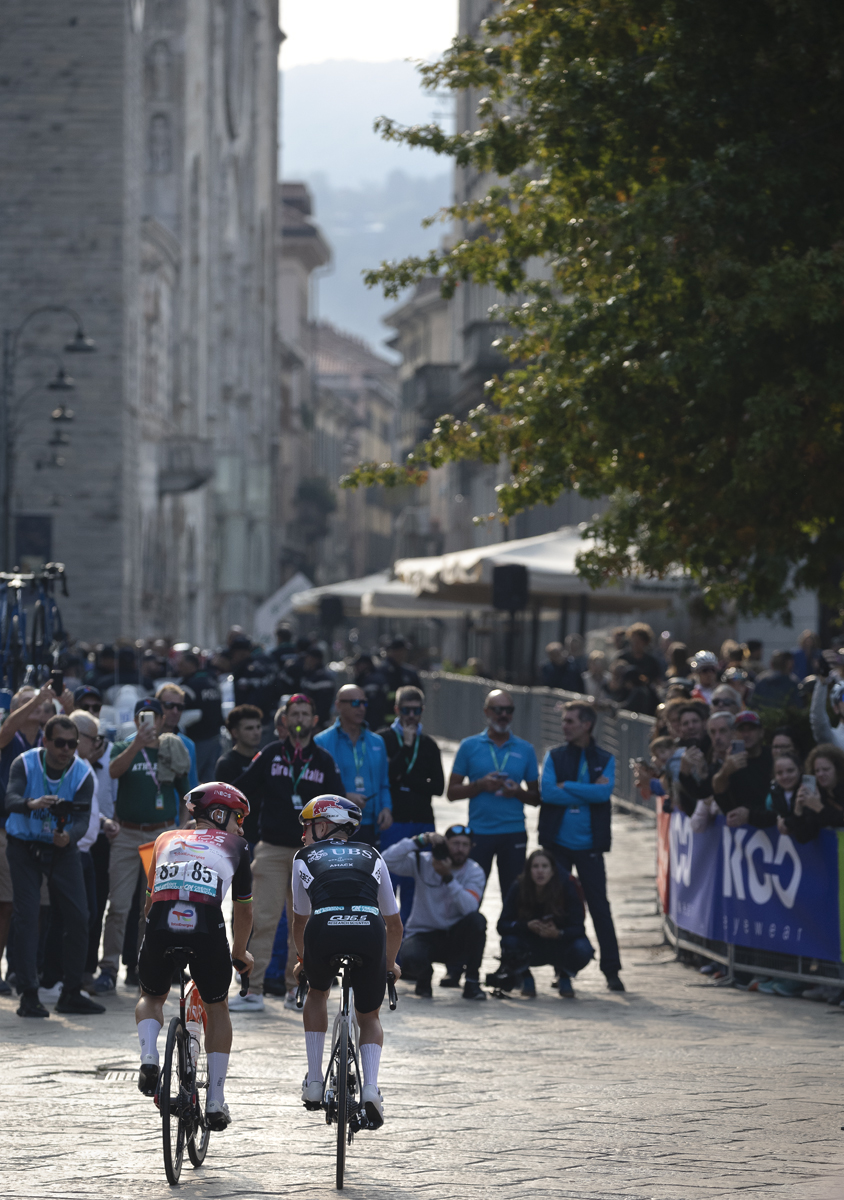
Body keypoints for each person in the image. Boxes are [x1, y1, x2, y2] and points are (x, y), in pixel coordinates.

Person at [135, 782, 254, 1131]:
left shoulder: (162, 840)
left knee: (151, 996)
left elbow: (148, 903)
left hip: (160, 924)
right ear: (218, 815)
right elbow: (244, 911)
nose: (240, 827)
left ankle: (148, 1056)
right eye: (238, 818)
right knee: (218, 1007)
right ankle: (215, 1099)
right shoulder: (238, 847)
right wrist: (239, 951)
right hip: (206, 928)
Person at [292, 796, 403, 1128]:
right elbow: (394, 924)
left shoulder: (304, 856)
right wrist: (389, 965)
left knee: (317, 993)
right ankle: (370, 1088)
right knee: (368, 1016)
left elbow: (300, 921)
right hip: (369, 929)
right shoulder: (373, 854)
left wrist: (303, 962)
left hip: (323, 927)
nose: (303, 835)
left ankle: (314, 1081)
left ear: (324, 826)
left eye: (308, 826)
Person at [230, 694, 344, 1012]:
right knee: (261, 918)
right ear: (284, 719)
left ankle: (299, 989)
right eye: (295, 713)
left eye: (306, 713)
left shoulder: (323, 760)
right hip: (272, 849)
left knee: (305, 922)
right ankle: (252, 990)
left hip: (310, 853)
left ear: (315, 721)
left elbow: (337, 804)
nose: (300, 718)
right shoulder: (270, 754)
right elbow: (242, 790)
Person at [4, 714, 105, 1017]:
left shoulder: (83, 773)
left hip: (61, 849)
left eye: (72, 744)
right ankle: (29, 994)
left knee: (80, 915)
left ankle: (71, 992)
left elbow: (82, 819)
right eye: (59, 743)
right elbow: (9, 798)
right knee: (28, 914)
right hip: (23, 846)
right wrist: (30, 804)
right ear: (45, 741)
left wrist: (69, 836)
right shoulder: (25, 763)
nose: (66, 750)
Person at [93, 698, 189, 994]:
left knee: (153, 907)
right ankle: (108, 968)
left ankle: (144, 966)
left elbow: (186, 792)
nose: (149, 722)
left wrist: (182, 827)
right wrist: (137, 745)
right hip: (127, 834)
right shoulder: (123, 748)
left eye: (154, 717)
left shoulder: (171, 748)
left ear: (162, 721)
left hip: (160, 835)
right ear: (136, 722)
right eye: (143, 718)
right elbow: (112, 771)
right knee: (119, 905)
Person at [538, 701, 624, 992]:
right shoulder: (555, 755)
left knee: (600, 907)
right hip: (558, 845)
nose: (565, 726)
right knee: (558, 907)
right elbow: (548, 793)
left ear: (587, 725)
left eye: (570, 721)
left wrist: (569, 787)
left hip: (590, 845)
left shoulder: (604, 757)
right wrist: (585, 791)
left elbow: (604, 794)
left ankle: (612, 970)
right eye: (564, 721)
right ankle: (562, 971)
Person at [447, 689, 539, 903]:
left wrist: (517, 792)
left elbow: (536, 798)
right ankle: (470, 935)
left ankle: (511, 936)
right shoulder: (469, 746)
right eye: (498, 710)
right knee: (471, 898)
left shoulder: (526, 749)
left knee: (514, 898)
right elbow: (451, 793)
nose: (503, 715)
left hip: (513, 832)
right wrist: (480, 785)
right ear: (486, 712)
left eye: (509, 710)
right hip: (480, 833)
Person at [382, 825, 487, 1000]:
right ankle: (424, 976)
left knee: (478, 921)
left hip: (456, 937)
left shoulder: (475, 871)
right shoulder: (424, 861)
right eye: (455, 844)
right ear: (445, 844)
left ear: (471, 847)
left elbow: (470, 908)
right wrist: (419, 840)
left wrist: (447, 877)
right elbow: (386, 860)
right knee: (410, 956)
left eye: (464, 845)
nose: (459, 849)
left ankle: (472, 982)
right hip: (424, 934)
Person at [377, 686, 445, 923]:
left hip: (422, 822)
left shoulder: (428, 744)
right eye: (406, 710)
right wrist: (405, 746)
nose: (411, 716)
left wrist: (405, 780)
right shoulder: (383, 739)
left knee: (414, 890)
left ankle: (407, 949)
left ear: (422, 711)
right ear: (397, 710)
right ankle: (384, 948)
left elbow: (438, 787)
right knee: (387, 887)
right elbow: (385, 777)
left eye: (416, 711)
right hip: (394, 823)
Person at [490, 849, 594, 999]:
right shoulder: (519, 887)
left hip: (559, 944)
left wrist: (559, 933)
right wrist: (526, 926)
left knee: (583, 949)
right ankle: (525, 976)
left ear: (553, 871)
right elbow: (502, 925)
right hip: (530, 945)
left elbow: (579, 927)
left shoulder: (566, 886)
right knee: (509, 942)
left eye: (545, 866)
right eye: (535, 866)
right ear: (528, 870)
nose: (540, 871)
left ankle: (564, 975)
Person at [315, 684, 392, 843]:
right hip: (335, 826)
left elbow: (384, 783)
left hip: (371, 825)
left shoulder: (377, 742)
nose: (361, 708)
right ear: (338, 706)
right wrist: (344, 797)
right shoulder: (321, 742)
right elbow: (316, 786)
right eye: (355, 703)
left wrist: (386, 808)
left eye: (364, 703)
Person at [712, 709, 775, 825]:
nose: (746, 735)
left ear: (761, 732)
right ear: (735, 734)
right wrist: (726, 770)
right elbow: (717, 789)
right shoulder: (730, 760)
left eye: (751, 729)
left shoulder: (772, 755)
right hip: (743, 830)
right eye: (741, 730)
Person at [778, 744, 844, 842]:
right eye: (817, 771)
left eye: (826, 769)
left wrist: (819, 808)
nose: (820, 774)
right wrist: (798, 810)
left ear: (837, 769)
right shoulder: (817, 794)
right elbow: (804, 837)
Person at [176, 651, 224, 782]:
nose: (178, 668)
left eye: (181, 664)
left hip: (198, 739)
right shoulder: (212, 681)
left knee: (192, 777)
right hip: (215, 736)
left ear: (192, 665)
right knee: (211, 780)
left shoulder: (189, 685)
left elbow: (178, 709)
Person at [156, 683, 199, 791]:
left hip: (177, 806)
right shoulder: (135, 742)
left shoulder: (188, 745)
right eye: (169, 705)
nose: (175, 711)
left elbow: (192, 787)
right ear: (157, 706)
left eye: (180, 707)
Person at [298, 646, 337, 731]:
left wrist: (318, 723)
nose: (306, 661)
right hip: (307, 722)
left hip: (318, 725)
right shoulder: (309, 675)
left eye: (308, 658)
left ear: (316, 659)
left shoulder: (323, 678)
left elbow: (324, 705)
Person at [380, 635, 422, 707]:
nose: (403, 654)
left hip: (407, 714)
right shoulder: (381, 672)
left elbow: (419, 696)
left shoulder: (410, 674)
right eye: (400, 651)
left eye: (404, 651)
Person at [351, 654, 390, 733]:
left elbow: (374, 706)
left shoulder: (371, 681)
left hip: (374, 723)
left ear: (366, 665)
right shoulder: (362, 679)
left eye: (358, 665)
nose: (356, 668)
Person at [809, 673, 844, 754]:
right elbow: (818, 718)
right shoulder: (832, 738)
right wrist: (822, 682)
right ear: (836, 708)